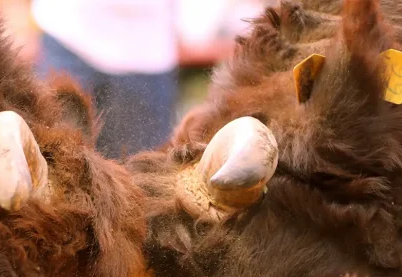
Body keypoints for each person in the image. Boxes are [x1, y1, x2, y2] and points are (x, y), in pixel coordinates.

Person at [27, 0, 265, 158]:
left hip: (146, 55)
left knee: (136, 183)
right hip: (68, 34)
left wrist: (198, 20)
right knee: (53, 163)